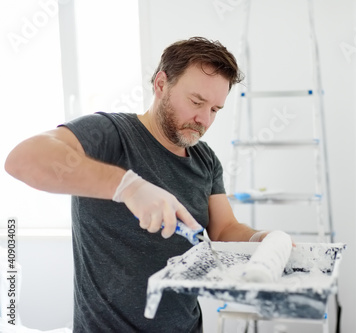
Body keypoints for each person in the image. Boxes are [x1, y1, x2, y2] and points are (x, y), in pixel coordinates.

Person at [5, 37, 269, 332]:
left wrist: (260, 240)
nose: (203, 119)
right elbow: (23, 160)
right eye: (196, 102)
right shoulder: (112, 134)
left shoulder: (205, 159)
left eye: (215, 110)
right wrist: (128, 186)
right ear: (160, 85)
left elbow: (223, 230)